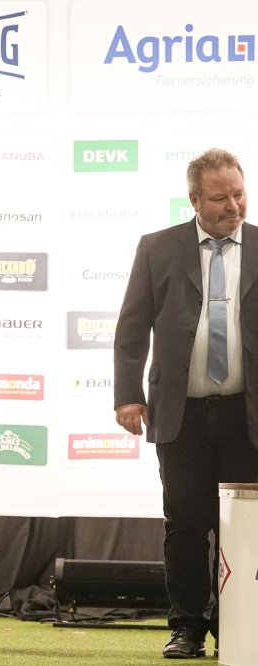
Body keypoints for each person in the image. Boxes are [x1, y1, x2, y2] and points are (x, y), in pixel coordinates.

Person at [114, 148, 258, 659]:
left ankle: (238, 626)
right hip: (182, 415)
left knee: (243, 529)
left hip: (247, 417)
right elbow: (132, 328)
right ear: (194, 199)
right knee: (185, 525)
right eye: (220, 198)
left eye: (239, 194)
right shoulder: (157, 248)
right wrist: (128, 395)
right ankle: (188, 628)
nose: (233, 206)